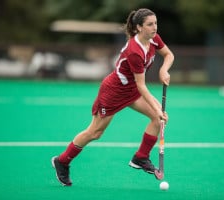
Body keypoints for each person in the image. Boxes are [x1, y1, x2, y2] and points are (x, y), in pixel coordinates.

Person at [51, 8, 174, 186]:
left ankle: (140, 157)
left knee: (157, 118)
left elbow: (169, 55)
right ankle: (62, 161)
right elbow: (141, 85)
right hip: (114, 92)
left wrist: (164, 69)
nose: (154, 27)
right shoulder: (135, 51)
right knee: (95, 132)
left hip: (131, 90)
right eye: (149, 24)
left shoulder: (153, 39)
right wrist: (158, 108)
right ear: (139, 27)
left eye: (155, 23)